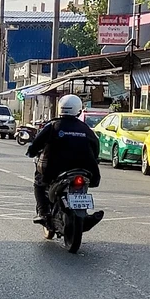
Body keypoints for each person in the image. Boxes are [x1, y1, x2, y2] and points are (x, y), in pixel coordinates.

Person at [26, 94, 101, 224]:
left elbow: (36, 144)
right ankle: (85, 215)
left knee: (39, 182)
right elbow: (96, 148)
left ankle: (43, 212)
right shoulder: (86, 129)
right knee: (83, 186)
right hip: (84, 168)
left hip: (55, 170)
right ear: (78, 109)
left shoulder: (53, 126)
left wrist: (31, 152)